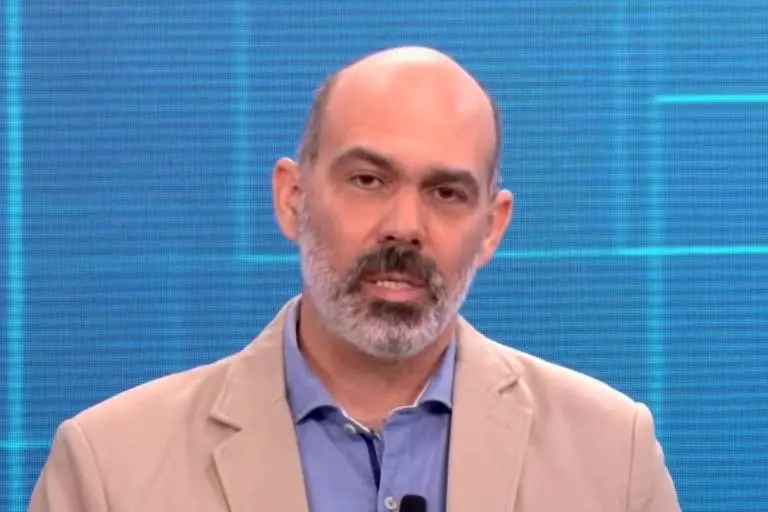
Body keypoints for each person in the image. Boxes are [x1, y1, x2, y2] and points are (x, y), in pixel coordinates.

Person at [28, 46, 680, 512]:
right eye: (368, 180)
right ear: (292, 199)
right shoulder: (110, 470)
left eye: (446, 193)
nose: (404, 227)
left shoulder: (611, 458)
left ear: (491, 228)